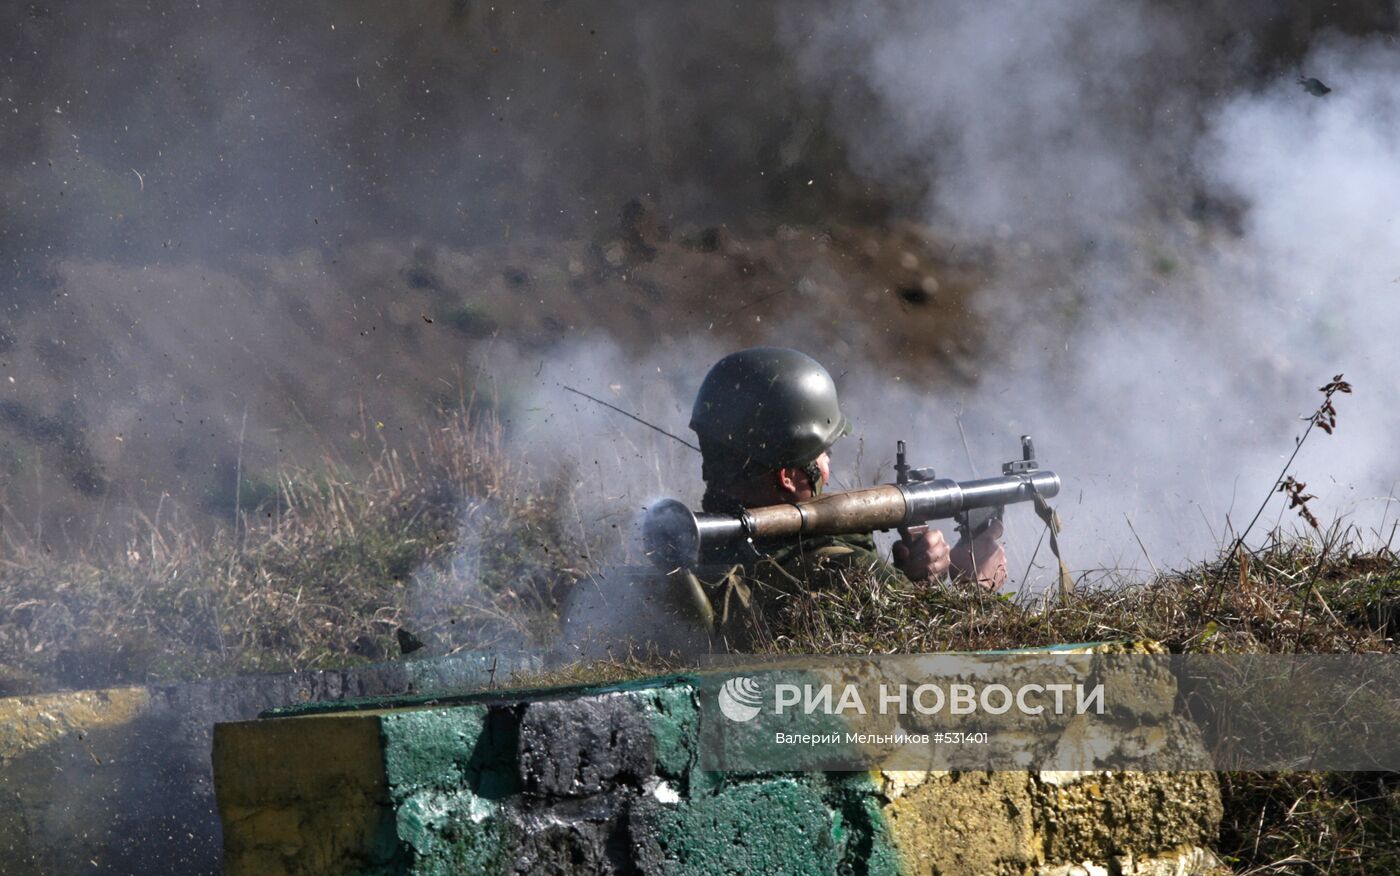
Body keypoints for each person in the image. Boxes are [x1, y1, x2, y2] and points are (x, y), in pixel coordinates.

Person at [687, 346, 1007, 648]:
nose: (828, 465)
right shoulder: (842, 569)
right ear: (789, 477)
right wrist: (978, 585)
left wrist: (913, 583)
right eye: (823, 454)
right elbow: (949, 656)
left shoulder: (692, 553)